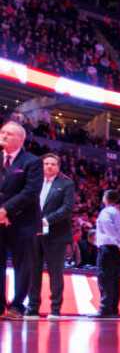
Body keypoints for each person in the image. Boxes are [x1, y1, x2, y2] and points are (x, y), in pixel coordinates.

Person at [0, 121, 43, 320]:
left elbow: (30, 192)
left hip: (22, 221)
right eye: (2, 132)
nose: (4, 136)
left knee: (22, 264)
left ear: (20, 139)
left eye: (9, 133)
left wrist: (6, 210)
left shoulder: (32, 161)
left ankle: (17, 306)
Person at [28, 152, 74, 318]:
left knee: (56, 273)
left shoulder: (66, 183)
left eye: (53, 164)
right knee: (33, 271)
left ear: (58, 167)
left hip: (56, 235)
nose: (49, 166)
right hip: (33, 233)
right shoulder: (33, 182)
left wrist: (47, 220)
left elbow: (67, 208)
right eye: (46, 163)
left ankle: (55, 309)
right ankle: (32, 308)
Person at [94, 189, 120, 317]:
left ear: (105, 198)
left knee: (105, 278)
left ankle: (105, 309)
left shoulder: (105, 212)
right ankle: (113, 309)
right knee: (115, 279)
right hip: (118, 251)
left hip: (108, 248)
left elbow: (109, 229)